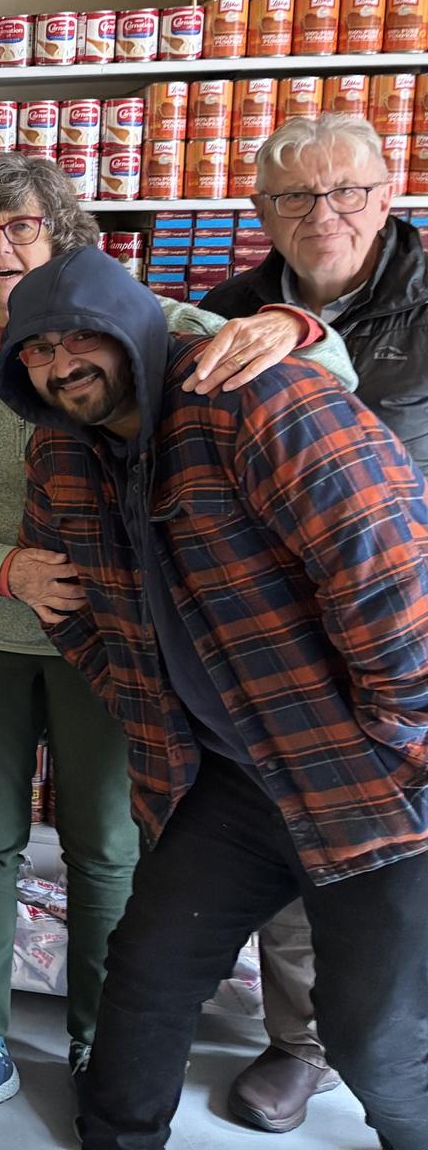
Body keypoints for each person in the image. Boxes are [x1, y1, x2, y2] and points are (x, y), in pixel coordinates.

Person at [0, 153, 352, 1140]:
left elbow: (332, 375)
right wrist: (2, 567)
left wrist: (291, 324)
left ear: (62, 236)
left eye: (19, 227)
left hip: (116, 635)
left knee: (105, 847)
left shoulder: (152, 321)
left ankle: (103, 1035)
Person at [0, 245, 428, 1150]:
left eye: (84, 336)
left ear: (138, 330)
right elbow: (69, 609)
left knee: (376, 1040)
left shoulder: (261, 402)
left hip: (372, 774)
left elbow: (394, 576)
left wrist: (397, 734)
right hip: (229, 780)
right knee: (147, 974)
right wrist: (143, 706)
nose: (62, 361)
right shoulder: (58, 454)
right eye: (36, 348)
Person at [202, 110, 428, 1132]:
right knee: (305, 851)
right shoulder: (220, 312)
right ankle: (302, 1044)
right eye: (294, 196)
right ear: (259, 212)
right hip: (288, 645)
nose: (320, 213)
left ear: (386, 197)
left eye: (344, 191)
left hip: (414, 627)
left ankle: (393, 1060)